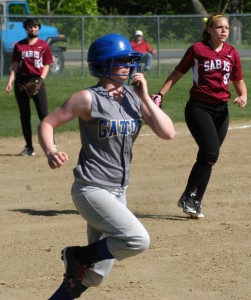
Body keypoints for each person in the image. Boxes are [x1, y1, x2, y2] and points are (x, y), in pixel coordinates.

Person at [38, 33, 175, 299]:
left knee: (94, 274)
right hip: (91, 189)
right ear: (103, 64)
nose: (128, 65)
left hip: (118, 190)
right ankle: (77, 255)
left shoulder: (133, 98)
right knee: (137, 240)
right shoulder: (88, 98)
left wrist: (145, 97)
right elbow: (47, 123)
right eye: (121, 60)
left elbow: (167, 132)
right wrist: (51, 150)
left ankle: (69, 280)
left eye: (129, 60)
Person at [151, 13, 247, 219]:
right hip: (199, 108)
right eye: (219, 27)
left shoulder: (232, 53)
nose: (224, 31)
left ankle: (195, 201)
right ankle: (188, 195)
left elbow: (238, 80)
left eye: (226, 28)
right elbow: (178, 72)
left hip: (221, 110)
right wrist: (160, 94)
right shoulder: (198, 50)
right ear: (209, 30)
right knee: (211, 152)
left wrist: (243, 96)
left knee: (208, 157)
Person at [5, 17, 53, 156]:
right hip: (21, 82)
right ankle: (29, 147)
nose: (33, 29)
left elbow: (47, 64)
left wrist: (41, 80)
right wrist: (10, 81)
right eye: (30, 27)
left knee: (44, 115)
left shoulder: (43, 45)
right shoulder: (19, 45)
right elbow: (14, 66)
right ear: (26, 29)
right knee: (24, 116)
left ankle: (51, 143)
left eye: (35, 26)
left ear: (39, 28)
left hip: (37, 81)